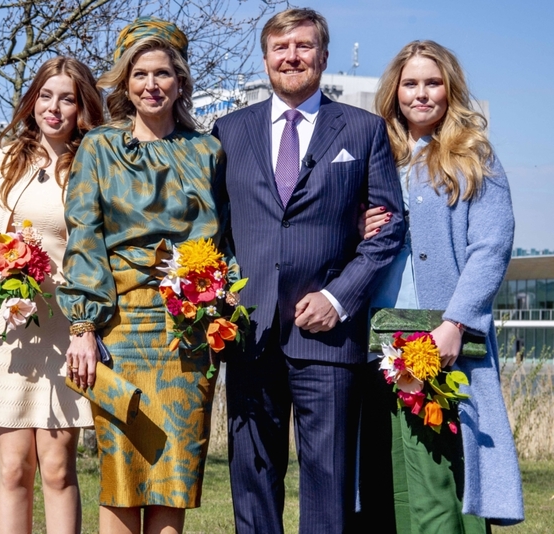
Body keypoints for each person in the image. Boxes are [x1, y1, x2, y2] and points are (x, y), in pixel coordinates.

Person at [211, 8, 406, 533]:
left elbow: (388, 227)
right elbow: (214, 231)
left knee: (328, 481)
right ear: (266, 57)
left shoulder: (364, 131)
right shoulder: (228, 132)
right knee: (251, 475)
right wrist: (223, 293)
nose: (292, 57)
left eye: (303, 46)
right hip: (250, 334)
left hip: (329, 337)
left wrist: (339, 297)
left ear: (322, 56)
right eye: (281, 48)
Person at [57, 17, 231, 534]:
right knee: (123, 477)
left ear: (180, 82)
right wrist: (83, 328)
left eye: (162, 74)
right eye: (139, 74)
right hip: (120, 329)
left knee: (172, 478)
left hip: (187, 333)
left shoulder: (208, 152)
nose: (151, 85)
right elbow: (83, 237)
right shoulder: (99, 148)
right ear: (124, 83)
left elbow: (227, 239)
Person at [357, 40, 524, 532]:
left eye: (433, 83)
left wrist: (456, 323)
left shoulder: (474, 157)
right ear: (394, 91)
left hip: (443, 336)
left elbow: (490, 248)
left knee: (445, 467)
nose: (422, 94)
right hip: (377, 336)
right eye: (411, 83)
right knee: (390, 469)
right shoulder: (377, 155)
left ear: (450, 90)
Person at [0, 56, 103, 533]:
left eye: (67, 99)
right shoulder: (3, 159)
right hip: (6, 327)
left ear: (82, 108)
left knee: (56, 468)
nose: (53, 108)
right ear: (32, 98)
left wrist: (87, 323)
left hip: (64, 328)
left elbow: (96, 248)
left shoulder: (92, 162)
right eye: (46, 95)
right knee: (13, 468)